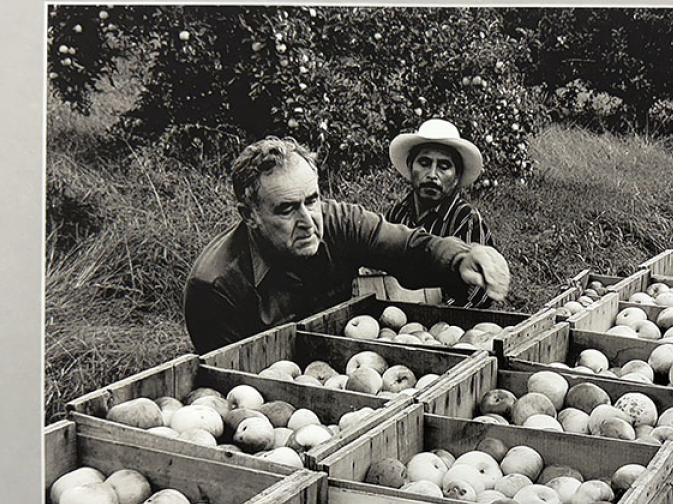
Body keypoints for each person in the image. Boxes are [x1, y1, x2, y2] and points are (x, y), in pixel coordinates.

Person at [182, 136, 511, 354]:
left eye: (312, 200)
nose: (309, 221)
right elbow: (231, 380)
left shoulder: (339, 223)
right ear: (249, 215)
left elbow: (408, 247)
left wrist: (461, 259)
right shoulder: (215, 287)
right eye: (286, 208)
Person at [385, 119, 497, 308]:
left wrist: (439, 314)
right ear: (411, 166)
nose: (432, 174)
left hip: (448, 328)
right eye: (424, 163)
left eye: (444, 166)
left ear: (456, 177)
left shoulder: (465, 221)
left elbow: (480, 295)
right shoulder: (397, 215)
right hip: (396, 319)